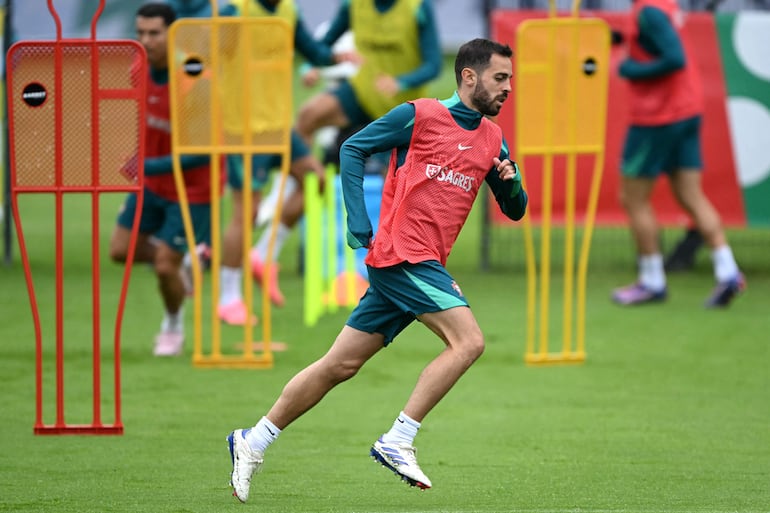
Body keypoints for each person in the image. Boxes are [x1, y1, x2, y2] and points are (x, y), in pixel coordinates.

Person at [226, 38, 527, 502]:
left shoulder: (492, 139)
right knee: (469, 341)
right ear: (469, 76)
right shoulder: (420, 115)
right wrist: (357, 220)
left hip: (421, 262)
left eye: (510, 79)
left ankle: (254, 439)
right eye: (500, 78)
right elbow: (352, 148)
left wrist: (510, 184)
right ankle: (398, 439)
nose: (508, 88)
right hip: (402, 255)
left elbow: (516, 209)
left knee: (339, 365)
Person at [245, 0, 443, 301]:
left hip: (402, 109)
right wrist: (312, 66)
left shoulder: (417, 8)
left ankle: (409, 260)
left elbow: (434, 64)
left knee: (407, 189)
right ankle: (278, 201)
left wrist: (401, 81)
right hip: (362, 93)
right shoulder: (354, 5)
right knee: (309, 115)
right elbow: (323, 42)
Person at [213, 0, 357, 324]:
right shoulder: (236, 11)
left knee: (316, 180)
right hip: (242, 130)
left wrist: (335, 57)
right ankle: (228, 296)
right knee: (245, 211)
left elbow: (312, 51)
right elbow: (207, 58)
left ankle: (263, 254)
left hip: (279, 127)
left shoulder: (288, 11)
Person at [611, 0, 746, 308]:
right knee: (690, 195)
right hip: (686, 110)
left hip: (658, 116)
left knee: (633, 198)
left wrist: (630, 68)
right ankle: (729, 272)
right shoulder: (662, 6)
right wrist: (622, 40)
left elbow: (674, 57)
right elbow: (658, 42)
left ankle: (651, 281)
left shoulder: (648, 11)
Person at [109, 3, 216, 356]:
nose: (145, 40)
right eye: (140, 32)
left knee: (163, 266)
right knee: (120, 250)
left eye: (154, 33)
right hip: (152, 183)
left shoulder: (194, 78)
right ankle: (187, 262)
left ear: (173, 34)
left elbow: (204, 152)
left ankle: (172, 325)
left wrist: (146, 166)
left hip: (193, 189)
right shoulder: (138, 67)